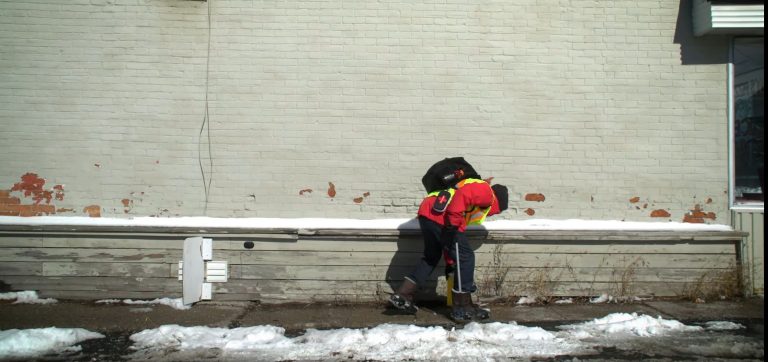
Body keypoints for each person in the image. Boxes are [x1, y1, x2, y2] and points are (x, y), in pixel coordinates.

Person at [390, 175, 508, 322]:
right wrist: (452, 225)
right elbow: (462, 196)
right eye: (498, 211)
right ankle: (461, 307)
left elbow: (451, 245)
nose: (493, 213)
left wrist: (450, 260)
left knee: (431, 256)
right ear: (499, 202)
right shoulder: (487, 193)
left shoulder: (480, 191)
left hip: (429, 213)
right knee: (466, 257)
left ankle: (403, 294)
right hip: (444, 219)